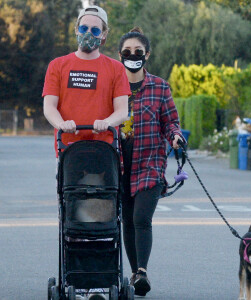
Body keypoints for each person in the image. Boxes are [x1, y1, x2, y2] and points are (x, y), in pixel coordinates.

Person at [42, 5, 131, 300]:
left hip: (104, 151)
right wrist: (61, 124)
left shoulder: (115, 69)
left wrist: (108, 121)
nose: (88, 35)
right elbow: (49, 106)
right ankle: (76, 275)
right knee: (74, 211)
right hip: (71, 150)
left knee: (103, 213)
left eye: (95, 30)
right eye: (84, 29)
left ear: (104, 35)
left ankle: (102, 275)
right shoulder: (58, 65)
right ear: (76, 30)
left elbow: (123, 110)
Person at [118, 27, 185, 297]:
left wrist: (177, 137)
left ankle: (142, 271)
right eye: (127, 52)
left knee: (141, 218)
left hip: (150, 165)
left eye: (138, 52)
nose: (132, 56)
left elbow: (171, 122)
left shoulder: (160, 86)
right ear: (119, 54)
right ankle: (135, 274)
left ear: (147, 54)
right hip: (119, 165)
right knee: (127, 221)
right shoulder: (112, 85)